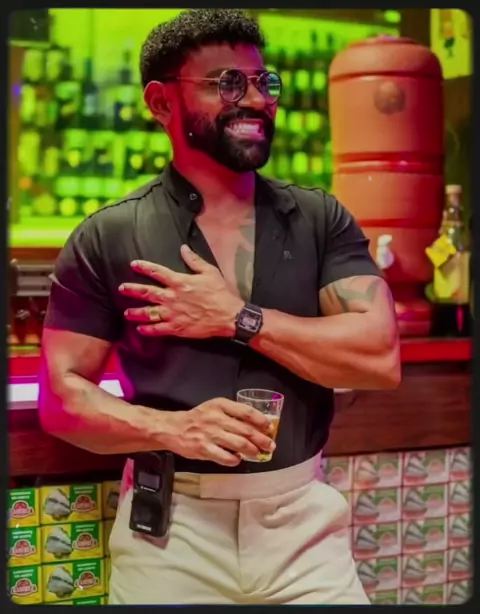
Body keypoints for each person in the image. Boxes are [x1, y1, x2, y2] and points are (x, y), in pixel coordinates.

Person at [39, 8, 400, 606]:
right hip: (170, 533)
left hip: (304, 528)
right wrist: (173, 429)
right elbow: (60, 399)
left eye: (264, 82)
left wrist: (239, 318)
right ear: (161, 102)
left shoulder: (320, 219)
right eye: (227, 83)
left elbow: (379, 358)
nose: (255, 100)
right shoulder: (109, 235)